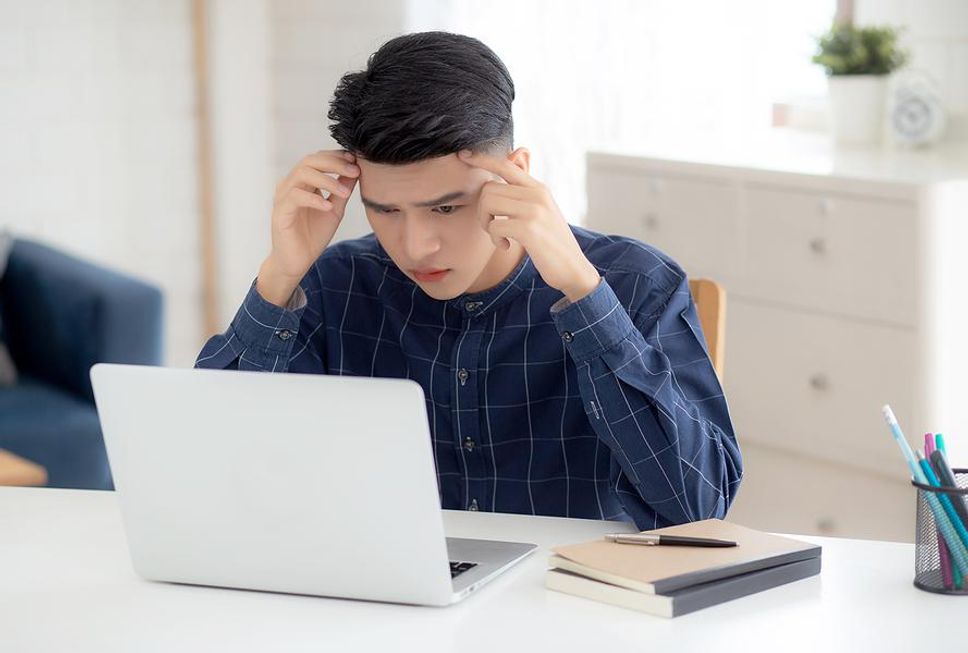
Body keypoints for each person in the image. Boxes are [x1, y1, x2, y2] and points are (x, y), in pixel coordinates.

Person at [195, 31, 741, 530]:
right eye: (384, 211)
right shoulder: (334, 284)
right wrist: (280, 274)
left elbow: (696, 506)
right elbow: (211, 476)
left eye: (447, 208)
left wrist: (583, 294)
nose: (415, 246)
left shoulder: (634, 284)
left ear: (517, 175)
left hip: (573, 609)